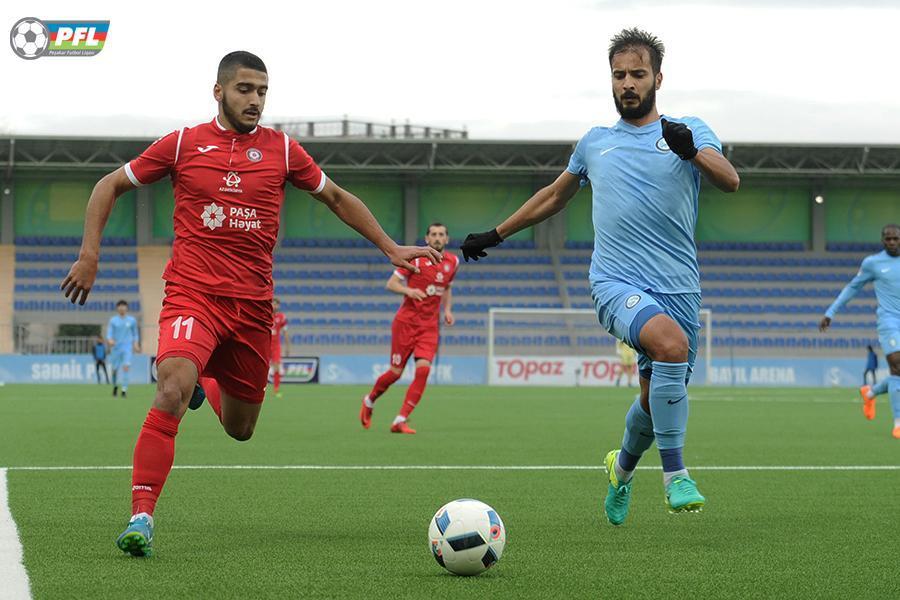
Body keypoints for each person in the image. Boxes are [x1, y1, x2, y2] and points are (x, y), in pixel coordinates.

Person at [60, 50, 440, 557]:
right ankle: (141, 516)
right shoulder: (182, 143)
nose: (255, 99)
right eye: (244, 89)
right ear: (218, 91)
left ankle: (207, 383)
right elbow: (108, 184)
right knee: (171, 387)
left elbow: (336, 197)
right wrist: (90, 255)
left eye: (262, 91)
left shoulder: (283, 150)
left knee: (241, 429)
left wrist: (389, 247)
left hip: (253, 308)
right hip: (193, 293)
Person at [460, 28, 739, 525]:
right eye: (619, 75)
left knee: (654, 400)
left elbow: (729, 179)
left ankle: (621, 470)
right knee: (670, 345)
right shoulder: (595, 143)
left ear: (658, 79)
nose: (627, 83)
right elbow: (554, 196)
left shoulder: (690, 130)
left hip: (679, 286)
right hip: (615, 283)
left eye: (638, 74)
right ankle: (676, 476)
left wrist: (691, 150)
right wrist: (496, 234)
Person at [360, 223, 457, 434]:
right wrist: (409, 291)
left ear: (447, 239)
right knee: (395, 373)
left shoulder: (453, 262)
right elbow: (391, 284)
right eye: (433, 234)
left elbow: (447, 288)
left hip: (429, 326)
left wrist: (448, 310)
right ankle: (369, 400)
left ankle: (400, 419)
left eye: (441, 234)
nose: (437, 238)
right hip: (406, 322)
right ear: (427, 238)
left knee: (423, 370)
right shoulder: (415, 258)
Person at [820, 224, 900, 437]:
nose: (892, 242)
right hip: (889, 321)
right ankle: (898, 423)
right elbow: (853, 287)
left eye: (895, 238)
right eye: (888, 239)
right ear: (882, 240)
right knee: (897, 365)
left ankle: (870, 393)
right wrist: (831, 311)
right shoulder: (873, 263)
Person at [107, 300, 140, 397]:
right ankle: (115, 386)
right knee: (114, 369)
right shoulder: (113, 320)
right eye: (120, 306)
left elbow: (135, 334)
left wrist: (136, 344)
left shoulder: (132, 320)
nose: (122, 308)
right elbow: (109, 333)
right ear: (117, 308)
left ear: (126, 308)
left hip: (127, 347)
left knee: (126, 367)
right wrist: (110, 340)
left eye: (124, 306)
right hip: (116, 348)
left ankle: (124, 390)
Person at [271, 297, 289, 397]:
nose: (275, 306)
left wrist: (287, 347)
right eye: (273, 304)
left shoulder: (282, 317)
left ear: (279, 306)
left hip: (276, 346)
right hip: (265, 345)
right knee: (260, 368)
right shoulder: (265, 315)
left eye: (276, 304)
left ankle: (276, 389)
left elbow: (285, 332)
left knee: (277, 367)